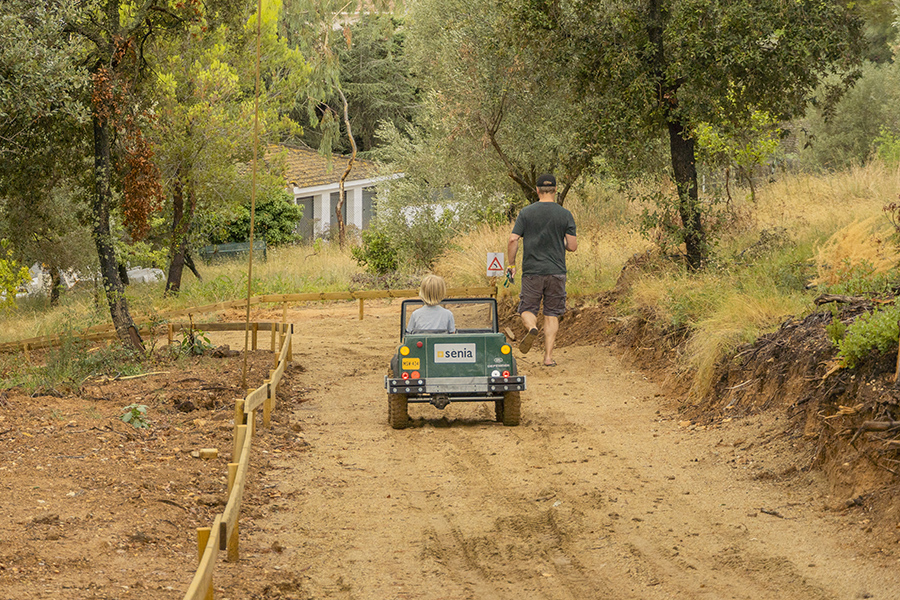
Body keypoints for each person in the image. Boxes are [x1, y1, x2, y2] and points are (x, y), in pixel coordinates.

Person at [507, 173, 577, 366]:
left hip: (532, 272)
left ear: (537, 190)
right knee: (552, 313)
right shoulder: (565, 214)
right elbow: (572, 246)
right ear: (555, 190)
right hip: (556, 271)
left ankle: (531, 328)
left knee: (527, 308)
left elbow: (513, 239)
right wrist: (558, 240)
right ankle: (548, 357)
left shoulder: (526, 213)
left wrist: (511, 265)